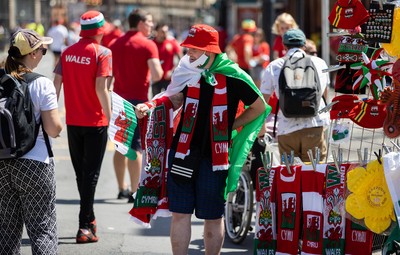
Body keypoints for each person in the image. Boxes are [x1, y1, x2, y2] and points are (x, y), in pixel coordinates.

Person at [134, 23, 269, 255]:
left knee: (213, 217)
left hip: (214, 158)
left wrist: (231, 126)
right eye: (188, 49)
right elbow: (173, 98)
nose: (188, 54)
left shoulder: (233, 74)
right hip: (183, 153)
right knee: (180, 214)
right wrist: (149, 106)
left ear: (208, 51)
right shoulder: (187, 70)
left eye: (193, 49)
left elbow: (259, 107)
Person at [0, 29, 63, 254]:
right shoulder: (41, 84)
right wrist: (60, 128)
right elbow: (52, 128)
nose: (43, 53)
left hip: (2, 161)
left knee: (5, 231)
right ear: (33, 54)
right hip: (35, 163)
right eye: (42, 50)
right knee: (42, 229)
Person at [53, 10, 112, 243]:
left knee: (82, 175)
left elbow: (55, 85)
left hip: (73, 121)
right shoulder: (103, 53)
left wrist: (50, 116)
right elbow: (102, 88)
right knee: (91, 175)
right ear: (100, 30)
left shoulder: (67, 53)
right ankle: (84, 226)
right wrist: (112, 118)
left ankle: (90, 220)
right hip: (96, 121)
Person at [109, 9, 163, 202]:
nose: (151, 25)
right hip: (139, 102)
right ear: (140, 23)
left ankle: (121, 188)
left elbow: (108, 76)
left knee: (120, 145)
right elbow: (157, 74)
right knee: (136, 147)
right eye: (148, 22)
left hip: (118, 100)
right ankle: (134, 190)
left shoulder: (114, 44)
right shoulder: (148, 44)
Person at [260, 28, 330, 162]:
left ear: (284, 46)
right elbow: (324, 97)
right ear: (304, 45)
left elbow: (263, 102)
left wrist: (261, 132)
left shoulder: (274, 66)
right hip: (314, 126)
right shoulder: (319, 63)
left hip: (286, 129)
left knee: (290, 175)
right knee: (314, 174)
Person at [152, 22, 182, 96]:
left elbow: (181, 60)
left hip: (169, 79)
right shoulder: (152, 44)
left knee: (169, 100)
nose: (165, 34)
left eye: (166, 31)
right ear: (156, 32)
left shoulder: (172, 42)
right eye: (162, 32)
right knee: (156, 101)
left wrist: (172, 71)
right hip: (155, 79)